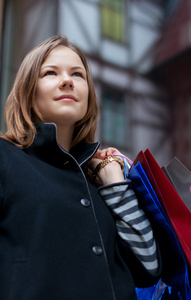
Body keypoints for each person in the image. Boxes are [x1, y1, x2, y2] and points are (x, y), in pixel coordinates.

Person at [0, 35, 162, 300]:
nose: (68, 81)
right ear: (28, 91)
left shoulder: (100, 181)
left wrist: (114, 183)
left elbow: (148, 268)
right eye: (50, 72)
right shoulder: (5, 158)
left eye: (78, 74)